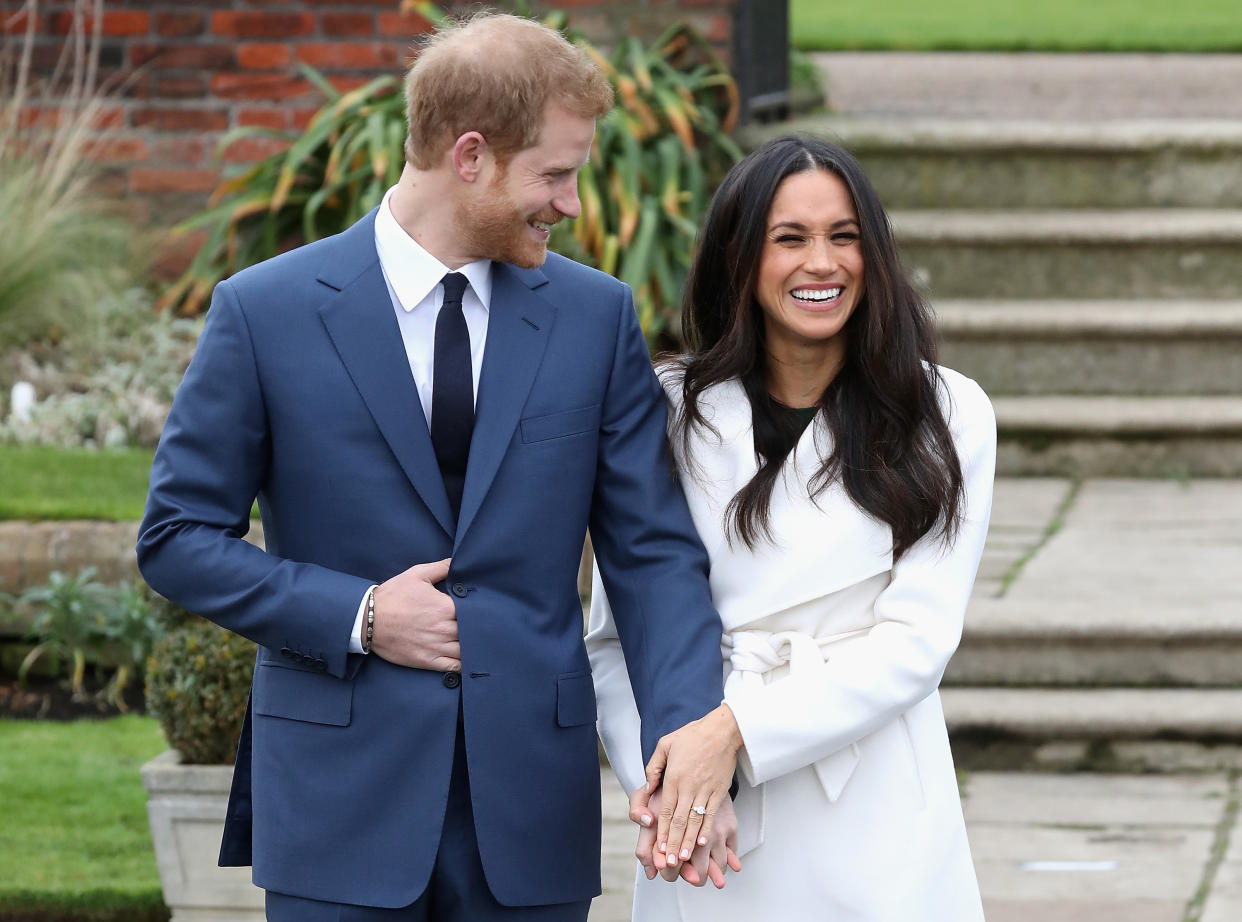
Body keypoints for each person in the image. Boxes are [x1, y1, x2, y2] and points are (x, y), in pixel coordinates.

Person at [137, 13, 738, 922]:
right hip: (338, 804)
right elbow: (176, 538)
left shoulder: (593, 318)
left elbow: (653, 556)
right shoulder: (266, 312)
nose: (569, 203)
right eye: (554, 174)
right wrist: (361, 615)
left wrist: (689, 747)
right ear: (470, 156)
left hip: (530, 813)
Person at [587, 134, 996, 920]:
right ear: (739, 258)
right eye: (790, 239)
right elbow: (614, 638)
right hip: (709, 821)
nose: (823, 263)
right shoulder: (666, 409)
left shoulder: (945, 413)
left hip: (872, 799)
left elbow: (917, 642)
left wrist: (735, 733)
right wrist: (674, 783)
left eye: (845, 237)